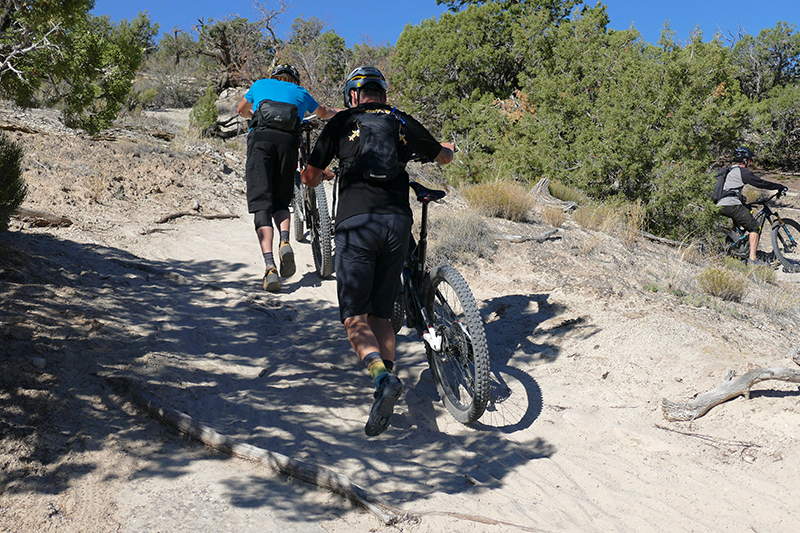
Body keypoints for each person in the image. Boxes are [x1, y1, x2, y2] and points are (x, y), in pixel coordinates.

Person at [301, 66, 454, 437]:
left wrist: (323, 172)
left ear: (353, 96)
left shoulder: (342, 122)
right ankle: (384, 384)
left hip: (356, 223)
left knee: (355, 316)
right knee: (383, 314)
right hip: (397, 223)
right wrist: (445, 148)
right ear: (382, 95)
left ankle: (382, 378)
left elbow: (309, 175)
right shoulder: (400, 120)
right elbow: (442, 157)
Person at [237, 64, 339, 292]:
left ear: (274, 76)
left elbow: (241, 109)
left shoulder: (260, 84)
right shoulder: (300, 93)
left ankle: (270, 267)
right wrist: (338, 113)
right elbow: (323, 112)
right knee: (281, 202)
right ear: (294, 79)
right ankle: (285, 240)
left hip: (260, 141)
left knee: (262, 205)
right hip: (288, 144)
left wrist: (252, 115)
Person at [716, 146, 787, 266]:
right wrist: (778, 186)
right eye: (750, 160)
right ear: (745, 160)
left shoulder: (729, 170)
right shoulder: (743, 171)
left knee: (741, 217)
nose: (751, 163)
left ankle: (732, 246)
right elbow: (760, 183)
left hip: (719, 204)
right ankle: (753, 260)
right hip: (730, 204)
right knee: (754, 226)